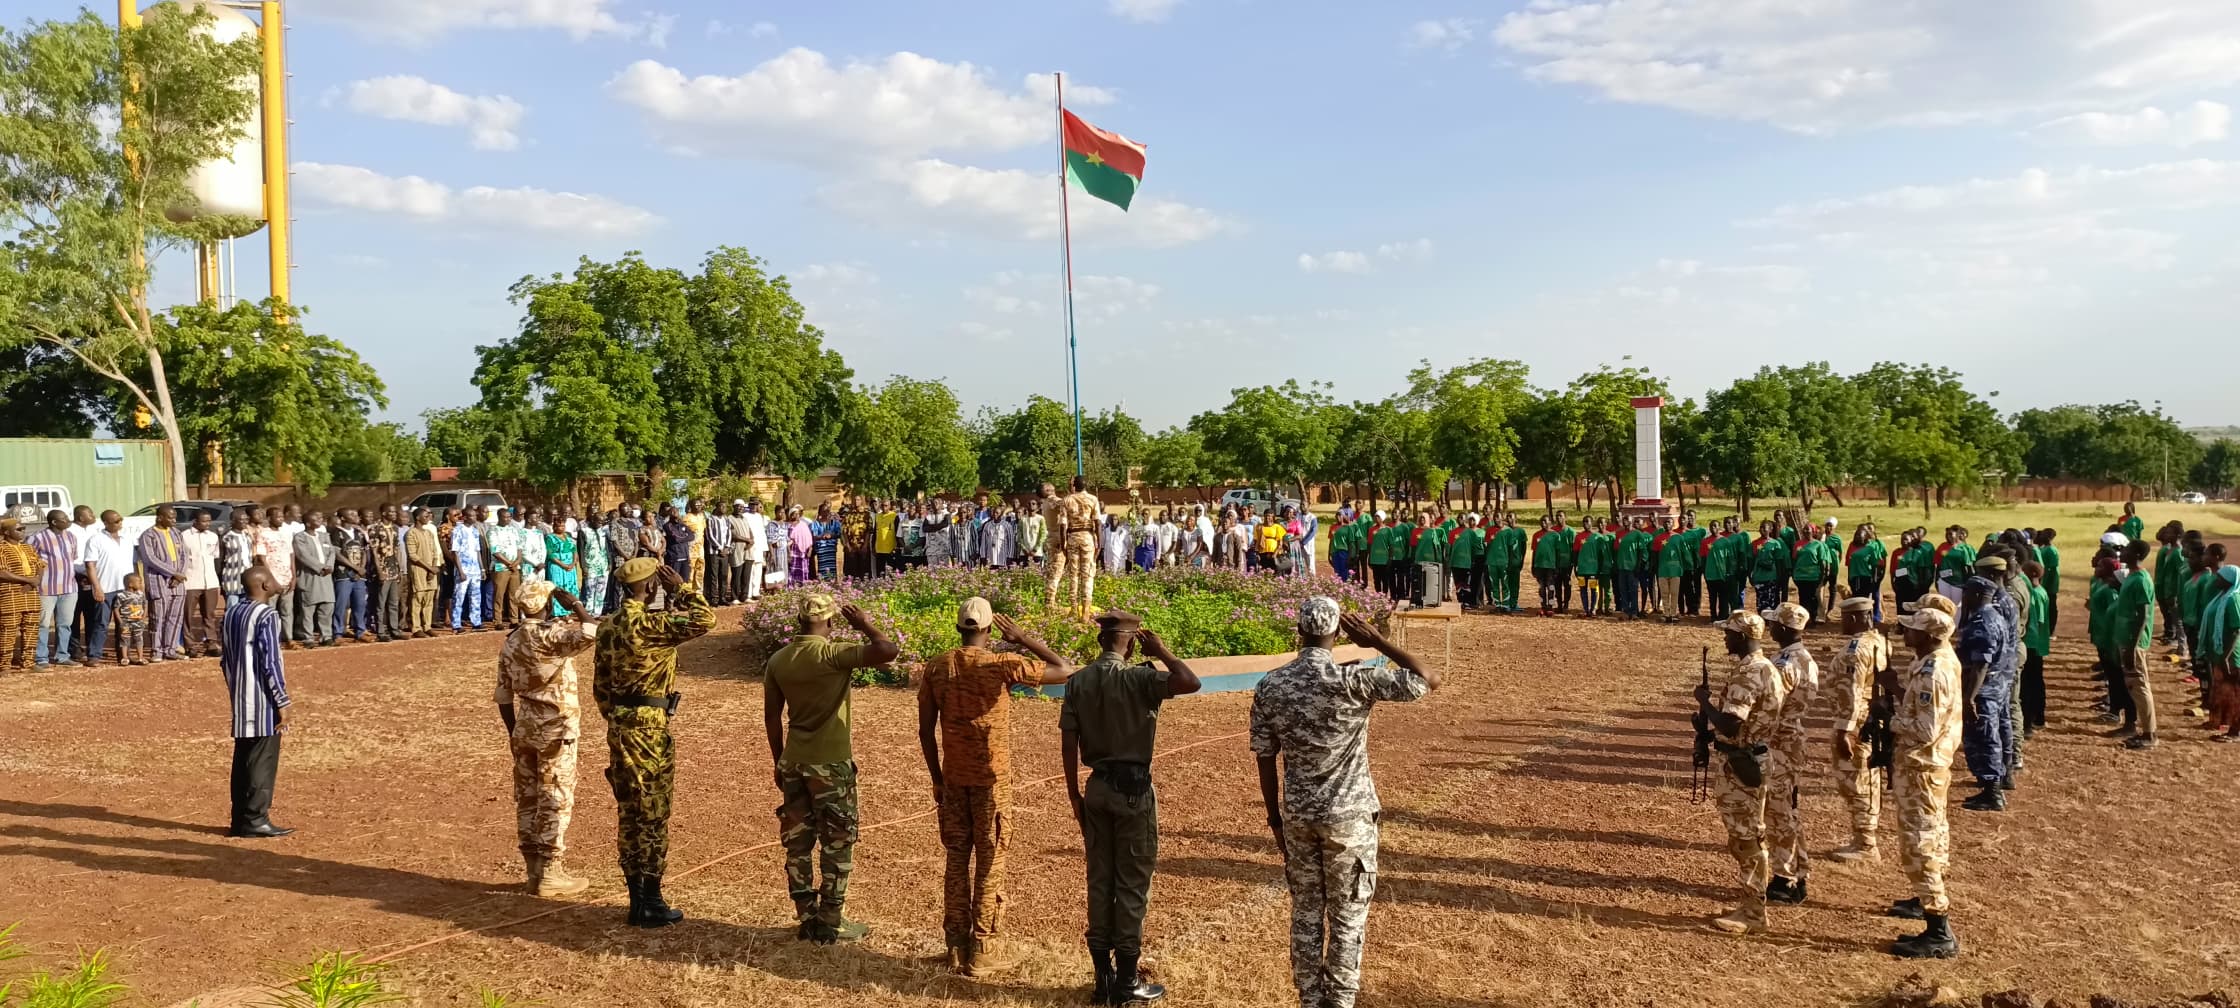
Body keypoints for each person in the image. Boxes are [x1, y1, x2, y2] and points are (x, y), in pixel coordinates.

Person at [1253, 600, 1437, 1008]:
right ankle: (1339, 1001)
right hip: (1348, 819)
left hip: (1298, 817)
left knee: (1305, 914)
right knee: (1347, 918)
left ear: (1299, 632)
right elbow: (1427, 678)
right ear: (1337, 634)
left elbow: (1264, 757)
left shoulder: (1271, 685)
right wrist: (1378, 642)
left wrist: (1275, 820)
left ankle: (1310, 1000)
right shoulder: (1353, 679)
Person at [917, 599, 1073, 973]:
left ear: (959, 628)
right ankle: (983, 948)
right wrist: (1022, 639)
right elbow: (1065, 670)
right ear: (988, 631)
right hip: (991, 781)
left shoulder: (937, 667)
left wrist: (937, 780)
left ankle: (955, 944)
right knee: (990, 861)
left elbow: (925, 730)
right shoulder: (1002, 664)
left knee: (957, 860)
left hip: (953, 779)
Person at [1061, 611, 1200, 1005]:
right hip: (1133, 792)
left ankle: (1101, 978)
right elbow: (1190, 682)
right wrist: (1163, 652)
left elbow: (1068, 742)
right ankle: (1125, 981)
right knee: (1132, 885)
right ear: (1132, 641)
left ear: (1102, 640)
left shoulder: (1080, 681)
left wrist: (1074, 795)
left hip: (1097, 788)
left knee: (1100, 882)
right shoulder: (1140, 678)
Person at [764, 594, 899, 943]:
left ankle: (806, 918)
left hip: (794, 760)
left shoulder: (779, 660)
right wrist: (865, 624)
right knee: (837, 843)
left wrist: (779, 759)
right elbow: (888, 651)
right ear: (828, 623)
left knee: (797, 843)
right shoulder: (833, 654)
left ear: (798, 622)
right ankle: (831, 921)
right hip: (831, 764)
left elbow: (772, 717)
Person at [595, 557, 716, 927]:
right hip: (649, 727)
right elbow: (705, 619)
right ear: (651, 586)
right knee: (652, 813)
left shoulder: (609, 626)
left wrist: (616, 718)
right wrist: (681, 588)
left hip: (620, 724)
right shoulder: (650, 624)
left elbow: (600, 686)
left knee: (629, 813)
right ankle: (650, 900)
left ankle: (637, 898)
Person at [496, 581, 599, 898]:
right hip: (556, 728)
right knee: (555, 797)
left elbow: (503, 696)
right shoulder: (550, 635)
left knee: (528, 798)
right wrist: (576, 603)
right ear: (546, 603)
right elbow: (592, 631)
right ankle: (551, 872)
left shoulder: (511, 641)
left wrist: (514, 731)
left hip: (524, 726)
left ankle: (533, 871)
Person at [1880, 597, 1964, 958]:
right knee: (1933, 833)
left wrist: (1891, 720)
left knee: (1920, 841)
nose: (1904, 632)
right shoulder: (1934, 660)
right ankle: (1922, 897)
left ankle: (1938, 928)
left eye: (1911, 629)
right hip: (1927, 766)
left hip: (1922, 766)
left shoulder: (1934, 672)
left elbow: (1925, 728)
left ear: (1930, 635)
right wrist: (1898, 690)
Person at [1695, 611, 1786, 934]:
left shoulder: (1750, 672)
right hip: (1746, 757)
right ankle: (1749, 904)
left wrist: (1705, 704)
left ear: (1743, 636)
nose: (1725, 638)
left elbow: (1732, 724)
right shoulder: (1763, 668)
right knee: (1744, 836)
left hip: (1743, 762)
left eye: (1729, 633)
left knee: (1747, 838)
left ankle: (1753, 912)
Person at [222, 566, 293, 839]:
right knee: (263, 760)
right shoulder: (267, 615)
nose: (277, 582)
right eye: (273, 578)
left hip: (240, 697)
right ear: (263, 585)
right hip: (262, 699)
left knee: (243, 760)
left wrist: (235, 689)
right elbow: (270, 662)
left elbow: (225, 660)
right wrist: (282, 701)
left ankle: (240, 818)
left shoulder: (232, 613)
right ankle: (256, 819)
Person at [1761, 602, 1819, 905]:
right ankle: (1798, 870)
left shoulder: (1784, 664)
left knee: (1779, 813)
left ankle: (1785, 878)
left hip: (1779, 743)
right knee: (1789, 810)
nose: (1769, 628)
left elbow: (1771, 706)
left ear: (1783, 628)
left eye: (1773, 624)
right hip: (1793, 739)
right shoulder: (1807, 658)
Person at [1825, 596, 1888, 862]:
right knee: (1866, 779)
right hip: (1871, 720)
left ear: (1854, 618)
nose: (1841, 625)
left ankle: (1866, 843)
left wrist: (1844, 731)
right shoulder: (1879, 641)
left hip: (1858, 725)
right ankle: (1863, 838)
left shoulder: (1856, 649)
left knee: (1858, 782)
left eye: (1844, 620)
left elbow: (1851, 692)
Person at [2113, 539, 2159, 749]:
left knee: (2140, 687)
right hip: (2126, 640)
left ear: (2138, 554)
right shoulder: (2132, 576)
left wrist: (2133, 647)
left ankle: (2150, 735)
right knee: (2134, 686)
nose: (2123, 552)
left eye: (2128, 550)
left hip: (2135, 643)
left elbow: (2144, 615)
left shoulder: (2141, 580)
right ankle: (2145, 731)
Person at [29, 510, 80, 669]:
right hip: (46, 588)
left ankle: (62, 656)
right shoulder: (37, 538)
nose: (67, 520)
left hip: (69, 587)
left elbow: (72, 559)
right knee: (43, 624)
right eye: (63, 518)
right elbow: (29, 560)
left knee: (65, 624)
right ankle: (41, 657)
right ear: (54, 522)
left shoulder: (71, 536)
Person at [81, 510, 133, 665]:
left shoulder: (126, 540)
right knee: (101, 623)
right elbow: (90, 565)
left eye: (120, 520)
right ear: (106, 522)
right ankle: (94, 655)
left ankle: (123, 655)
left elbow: (132, 564)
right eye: (116, 521)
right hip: (106, 588)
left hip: (125, 589)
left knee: (124, 624)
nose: (120, 523)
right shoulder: (96, 540)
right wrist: (97, 588)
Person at [135, 506, 186, 661]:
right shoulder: (148, 535)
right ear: (159, 517)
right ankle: (156, 651)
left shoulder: (176, 533)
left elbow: (184, 554)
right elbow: (150, 559)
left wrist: (179, 576)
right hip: (158, 580)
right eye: (170, 517)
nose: (174, 521)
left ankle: (170, 649)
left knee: (175, 616)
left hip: (178, 583)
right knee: (158, 617)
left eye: (175, 517)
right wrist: (172, 573)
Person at [0, 513, 42, 672]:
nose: (23, 531)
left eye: (23, 528)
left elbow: (40, 565)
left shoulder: (28, 547)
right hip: (10, 594)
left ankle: (28, 662)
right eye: (18, 529)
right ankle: (4, 665)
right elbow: (2, 572)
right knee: (8, 629)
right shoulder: (2, 549)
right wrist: (27, 580)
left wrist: (36, 580)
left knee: (31, 628)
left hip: (31, 594)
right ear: (7, 532)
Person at [180, 511, 223, 656]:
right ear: (195, 521)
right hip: (191, 581)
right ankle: (189, 645)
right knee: (188, 615)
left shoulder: (213, 536)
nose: (207, 524)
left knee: (209, 614)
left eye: (209, 521)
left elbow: (215, 557)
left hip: (210, 581)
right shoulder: (184, 536)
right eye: (204, 521)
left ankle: (210, 642)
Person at [291, 512, 336, 648]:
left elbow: (332, 552)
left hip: (326, 577)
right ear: (308, 523)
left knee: (327, 607)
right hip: (310, 577)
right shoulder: (300, 538)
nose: (320, 519)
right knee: (308, 609)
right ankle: (308, 637)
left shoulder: (324, 536)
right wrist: (320, 567)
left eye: (320, 517)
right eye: (316, 518)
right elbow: (303, 555)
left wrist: (329, 566)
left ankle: (326, 636)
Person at [329, 512, 370, 643]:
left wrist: (361, 568)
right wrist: (354, 567)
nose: (355, 515)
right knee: (341, 605)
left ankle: (360, 630)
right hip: (343, 574)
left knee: (360, 604)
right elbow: (337, 554)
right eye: (351, 514)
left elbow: (364, 550)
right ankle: (338, 633)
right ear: (342, 518)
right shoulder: (336, 533)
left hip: (360, 575)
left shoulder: (358, 533)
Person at [366, 506, 403, 640]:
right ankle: (380, 631)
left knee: (394, 601)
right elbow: (374, 551)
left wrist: (399, 569)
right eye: (391, 511)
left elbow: (397, 549)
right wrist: (380, 570)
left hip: (393, 568)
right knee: (380, 602)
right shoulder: (374, 528)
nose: (394, 514)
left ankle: (394, 629)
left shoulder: (395, 528)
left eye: (395, 511)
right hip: (382, 569)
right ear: (383, 513)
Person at [405, 510, 443, 638]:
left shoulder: (429, 533)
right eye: (425, 515)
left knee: (429, 599)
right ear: (417, 517)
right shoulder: (411, 533)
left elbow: (434, 551)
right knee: (418, 598)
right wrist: (429, 568)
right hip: (418, 570)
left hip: (430, 570)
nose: (428, 517)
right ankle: (416, 628)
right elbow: (413, 556)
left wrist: (433, 568)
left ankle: (427, 626)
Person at [1846, 525, 1888, 623]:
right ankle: (1861, 617)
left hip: (1869, 574)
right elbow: (1849, 561)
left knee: (1871, 595)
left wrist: (1878, 575)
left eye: (1860, 535)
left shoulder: (1874, 546)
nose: (1858, 537)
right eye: (1856, 534)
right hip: (1855, 575)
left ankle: (1873, 616)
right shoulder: (1852, 545)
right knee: (1857, 597)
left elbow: (1879, 561)